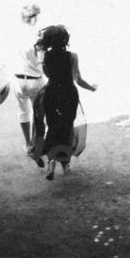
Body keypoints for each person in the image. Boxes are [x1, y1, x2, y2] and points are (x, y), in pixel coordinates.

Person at [30, 25, 98, 180]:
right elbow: (78, 79)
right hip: (68, 93)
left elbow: (47, 74)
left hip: (51, 92)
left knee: (53, 126)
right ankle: (65, 164)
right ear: (66, 39)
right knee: (66, 128)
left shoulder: (45, 56)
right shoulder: (72, 56)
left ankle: (52, 162)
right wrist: (91, 88)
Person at [0, 2, 46, 158]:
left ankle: (28, 144)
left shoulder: (13, 35)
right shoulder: (38, 37)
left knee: (23, 111)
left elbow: (0, 59)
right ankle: (36, 145)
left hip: (18, 81)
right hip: (36, 81)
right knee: (38, 114)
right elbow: (42, 61)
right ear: (34, 17)